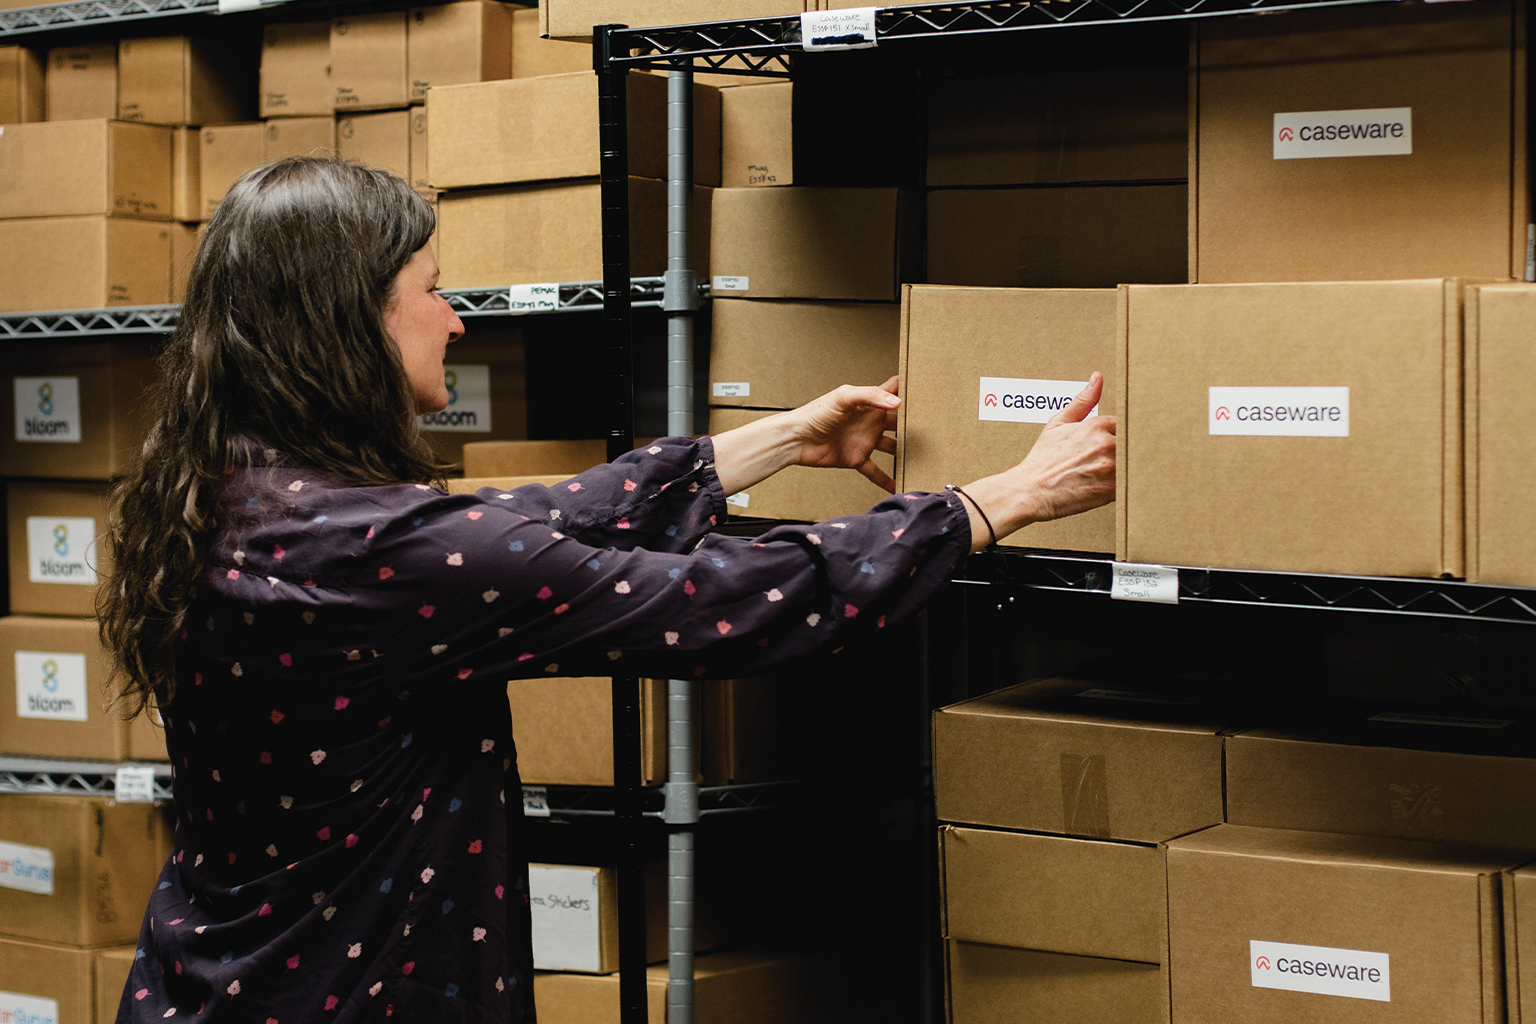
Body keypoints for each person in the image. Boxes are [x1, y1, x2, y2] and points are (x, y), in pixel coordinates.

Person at [99, 158, 1114, 1022]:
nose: (454, 321)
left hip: (210, 979)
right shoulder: (370, 548)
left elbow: (526, 523)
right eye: (432, 290)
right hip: (345, 993)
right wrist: (994, 500)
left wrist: (778, 439)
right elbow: (725, 600)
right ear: (346, 321)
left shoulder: (230, 494)